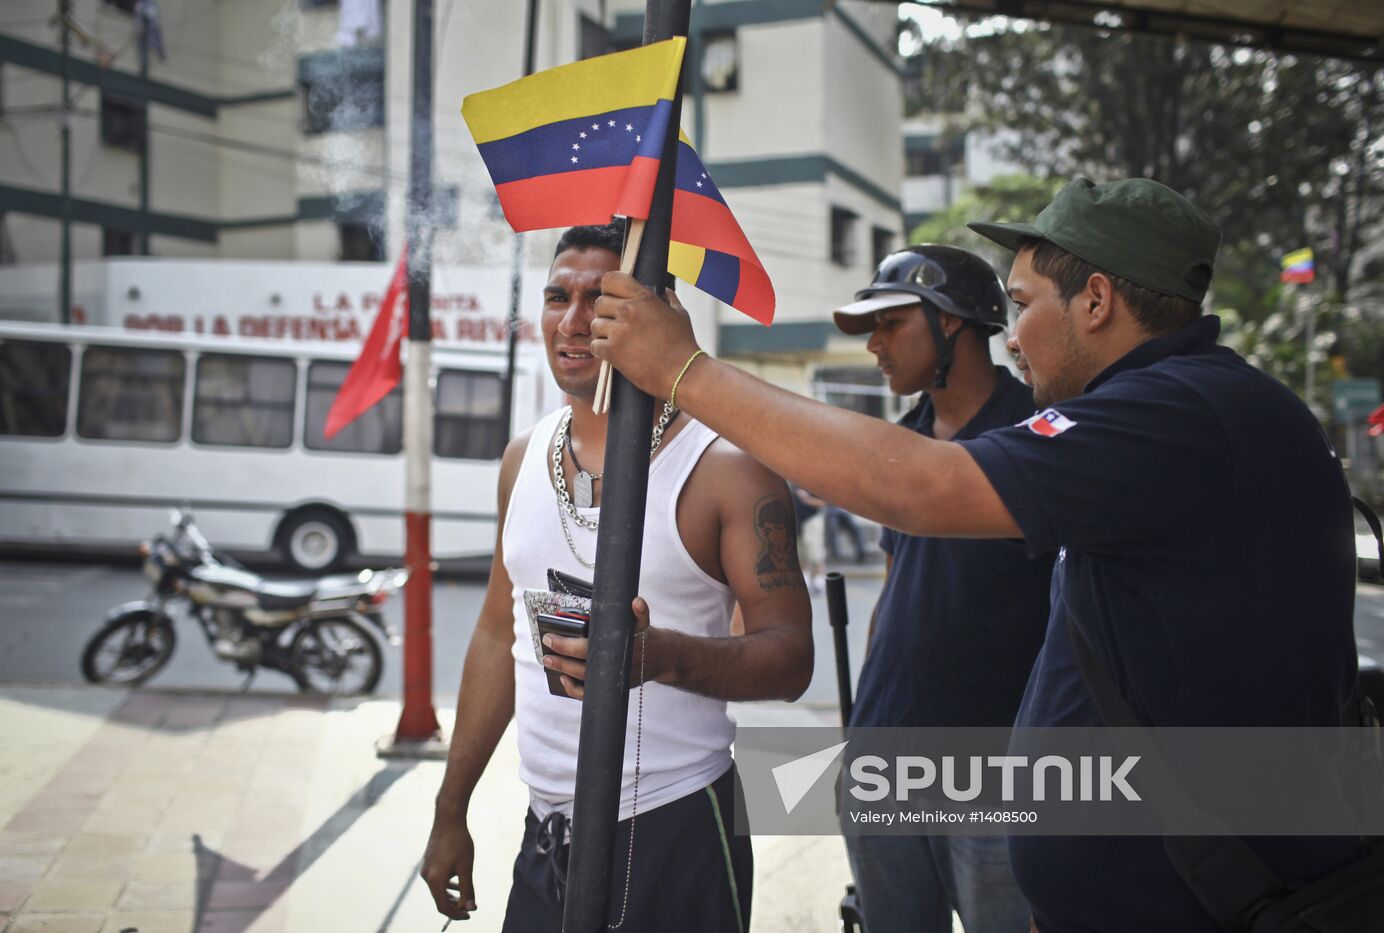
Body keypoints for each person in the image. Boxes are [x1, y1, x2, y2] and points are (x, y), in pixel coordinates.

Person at [588, 177, 1361, 932]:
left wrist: (683, 371)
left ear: (1096, 300)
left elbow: (919, 487)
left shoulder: (1177, 412)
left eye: (1022, 305)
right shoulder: (1173, 413)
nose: (1013, 332)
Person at [420, 219, 813, 932]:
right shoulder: (523, 457)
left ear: (652, 317)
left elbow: (791, 659)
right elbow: (494, 635)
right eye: (555, 296)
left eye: (599, 299)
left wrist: (658, 654)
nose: (572, 322)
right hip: (548, 830)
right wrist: (452, 808)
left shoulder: (728, 469)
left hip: (675, 823)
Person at [832, 245, 1054, 933]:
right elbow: (898, 586)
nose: (874, 343)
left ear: (952, 321)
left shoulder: (1039, 435)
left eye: (891, 322)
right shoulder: (906, 440)